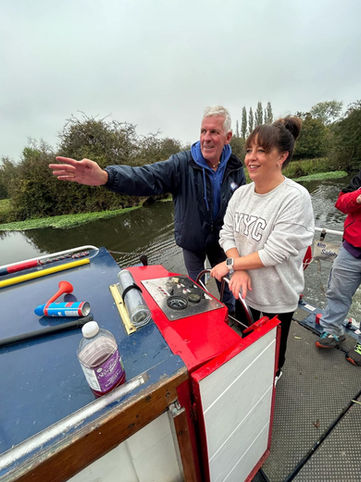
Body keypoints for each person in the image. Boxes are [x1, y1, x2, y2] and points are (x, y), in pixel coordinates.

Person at [49, 106, 246, 313]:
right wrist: (107, 177)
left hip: (222, 242)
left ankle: (230, 317)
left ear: (228, 137)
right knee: (196, 290)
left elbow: (242, 210)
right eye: (203, 131)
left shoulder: (235, 168)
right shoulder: (181, 164)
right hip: (191, 240)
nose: (206, 137)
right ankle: (207, 323)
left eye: (214, 132)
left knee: (227, 283)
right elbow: (146, 176)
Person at [210, 117, 315, 378]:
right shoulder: (241, 194)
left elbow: (274, 253)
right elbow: (226, 234)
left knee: (274, 353)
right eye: (249, 150)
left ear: (282, 157)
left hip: (277, 297)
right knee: (248, 339)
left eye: (262, 150)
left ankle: (273, 377)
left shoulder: (295, 197)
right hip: (245, 291)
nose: (251, 158)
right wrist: (240, 268)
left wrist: (231, 264)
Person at [315, 169, 361, 366]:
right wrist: (359, 197)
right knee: (337, 291)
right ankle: (333, 331)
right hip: (351, 248)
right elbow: (341, 203)